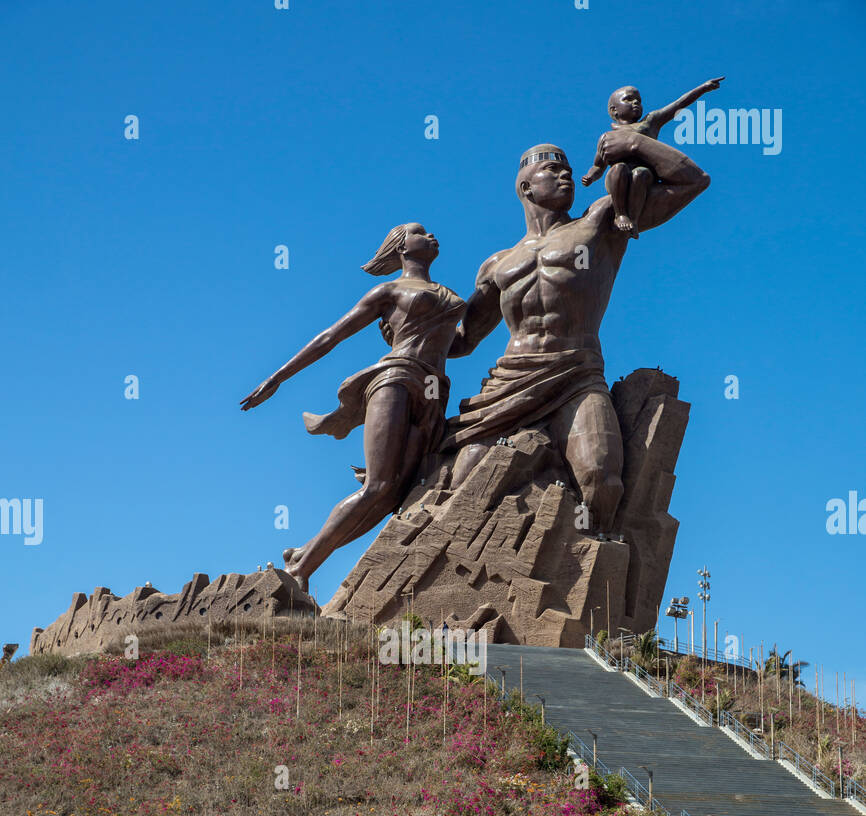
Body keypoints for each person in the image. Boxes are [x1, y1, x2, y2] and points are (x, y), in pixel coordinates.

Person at [444, 135, 711, 533]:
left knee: (602, 481)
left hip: (577, 373)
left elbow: (692, 181)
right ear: (526, 187)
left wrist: (635, 143)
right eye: (553, 170)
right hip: (509, 383)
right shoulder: (497, 265)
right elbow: (463, 341)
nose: (566, 174)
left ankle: (584, 573)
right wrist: (409, 334)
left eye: (568, 169)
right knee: (463, 479)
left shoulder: (601, 220)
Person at [240, 224, 464, 588]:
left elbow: (461, 343)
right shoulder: (388, 290)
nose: (432, 235)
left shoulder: (450, 294)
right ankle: (300, 570)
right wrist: (278, 377)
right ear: (401, 247)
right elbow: (331, 335)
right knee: (377, 485)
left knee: (392, 494)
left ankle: (301, 552)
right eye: (421, 232)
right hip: (397, 378)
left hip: (436, 391)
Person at [582, 78, 724, 238]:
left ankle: (634, 219)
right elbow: (598, 165)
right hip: (618, 178)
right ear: (614, 110)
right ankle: (620, 214)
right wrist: (590, 177)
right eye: (628, 99)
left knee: (641, 174)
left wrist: (702, 88)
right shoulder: (608, 137)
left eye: (638, 100)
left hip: (644, 177)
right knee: (618, 168)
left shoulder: (650, 122)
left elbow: (677, 105)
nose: (635, 102)